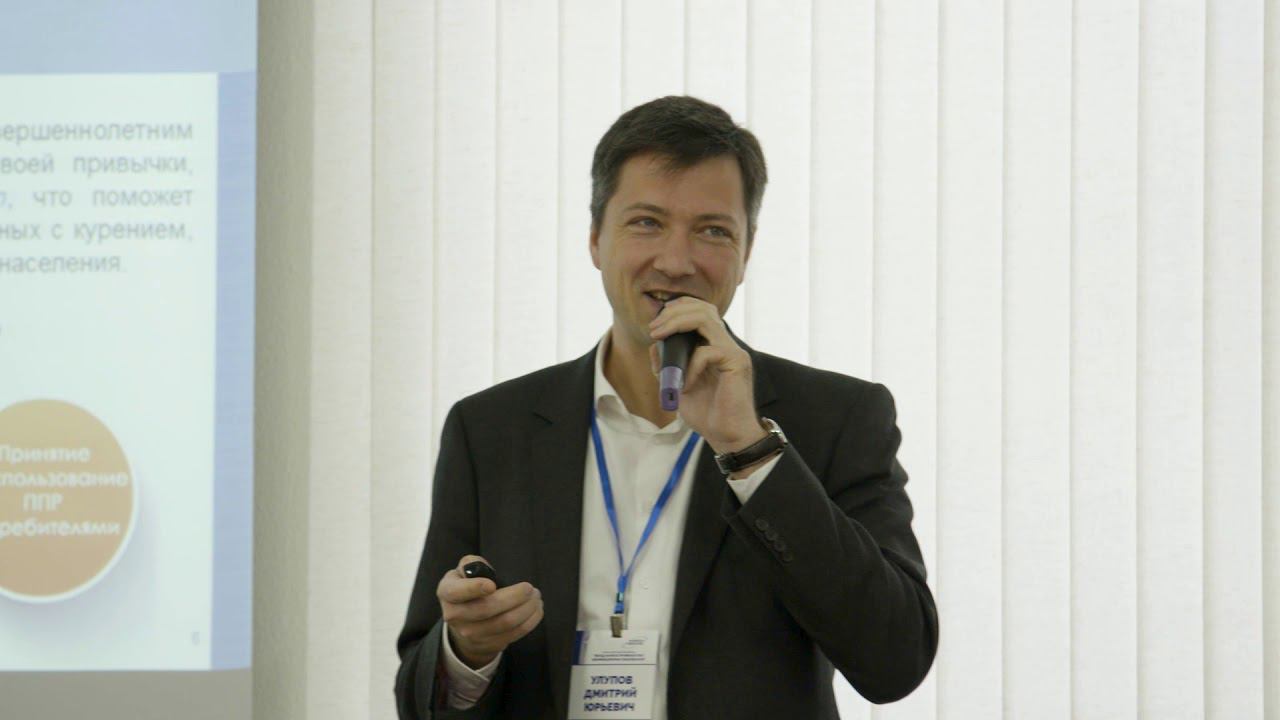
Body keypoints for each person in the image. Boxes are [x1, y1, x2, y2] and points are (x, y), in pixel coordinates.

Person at [395, 95, 937, 720]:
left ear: (746, 251)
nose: (677, 262)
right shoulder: (491, 429)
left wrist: (750, 449)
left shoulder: (836, 418)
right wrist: (468, 649)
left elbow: (896, 660)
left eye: (713, 231)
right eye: (647, 222)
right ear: (596, 238)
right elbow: (420, 695)